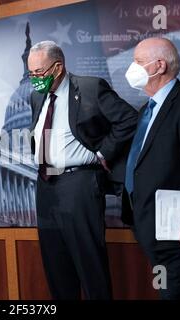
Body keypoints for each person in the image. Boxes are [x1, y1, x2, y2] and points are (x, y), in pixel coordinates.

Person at [28, 41, 138, 299]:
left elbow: (129, 120)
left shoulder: (90, 87)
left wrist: (102, 153)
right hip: (45, 187)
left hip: (79, 184)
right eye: (30, 73)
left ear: (57, 68)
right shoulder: (36, 96)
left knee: (90, 267)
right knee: (56, 268)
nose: (34, 79)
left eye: (39, 73)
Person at [122, 37, 180, 300]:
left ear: (159, 65)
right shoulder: (147, 109)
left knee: (173, 291)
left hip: (176, 229)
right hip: (149, 223)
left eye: (138, 62)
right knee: (174, 290)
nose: (132, 68)